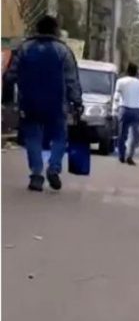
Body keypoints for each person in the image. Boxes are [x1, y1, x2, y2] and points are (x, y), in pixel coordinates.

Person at [2, 15, 82, 191]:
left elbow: (10, 76)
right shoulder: (63, 51)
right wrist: (77, 101)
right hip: (56, 104)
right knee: (60, 137)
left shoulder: (25, 48)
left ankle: (36, 175)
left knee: (33, 138)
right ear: (56, 30)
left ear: (37, 29)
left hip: (29, 102)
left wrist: (9, 99)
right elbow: (71, 80)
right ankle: (53, 167)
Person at [114, 62, 139, 166]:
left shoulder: (120, 81)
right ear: (136, 72)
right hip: (136, 111)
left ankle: (121, 155)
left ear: (127, 71)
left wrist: (114, 110)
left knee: (122, 134)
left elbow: (116, 97)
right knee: (134, 135)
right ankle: (130, 156)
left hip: (124, 109)